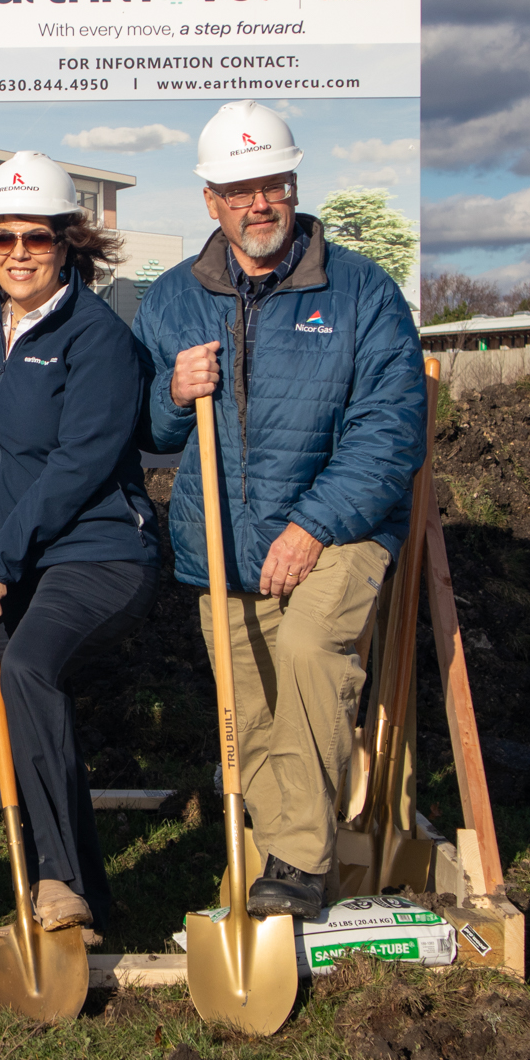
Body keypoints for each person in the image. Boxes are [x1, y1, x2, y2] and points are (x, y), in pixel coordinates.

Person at [134, 99, 426, 920]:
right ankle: (279, 857)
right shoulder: (171, 301)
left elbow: (391, 428)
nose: (259, 203)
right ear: (211, 200)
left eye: (274, 184)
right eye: (240, 189)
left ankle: (297, 863)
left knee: (304, 651)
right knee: (249, 705)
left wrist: (314, 525)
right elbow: (146, 430)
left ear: (294, 187)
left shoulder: (362, 291)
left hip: (340, 528)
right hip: (222, 538)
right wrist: (170, 390)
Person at [0, 152, 160, 938]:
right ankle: (85, 902)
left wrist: (0, 558)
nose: (17, 252)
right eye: (2, 236)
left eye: (36, 238)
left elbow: (80, 463)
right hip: (21, 558)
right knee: (34, 707)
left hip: (101, 552)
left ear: (67, 243)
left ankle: (57, 878)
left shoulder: (97, 337)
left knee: (27, 668)